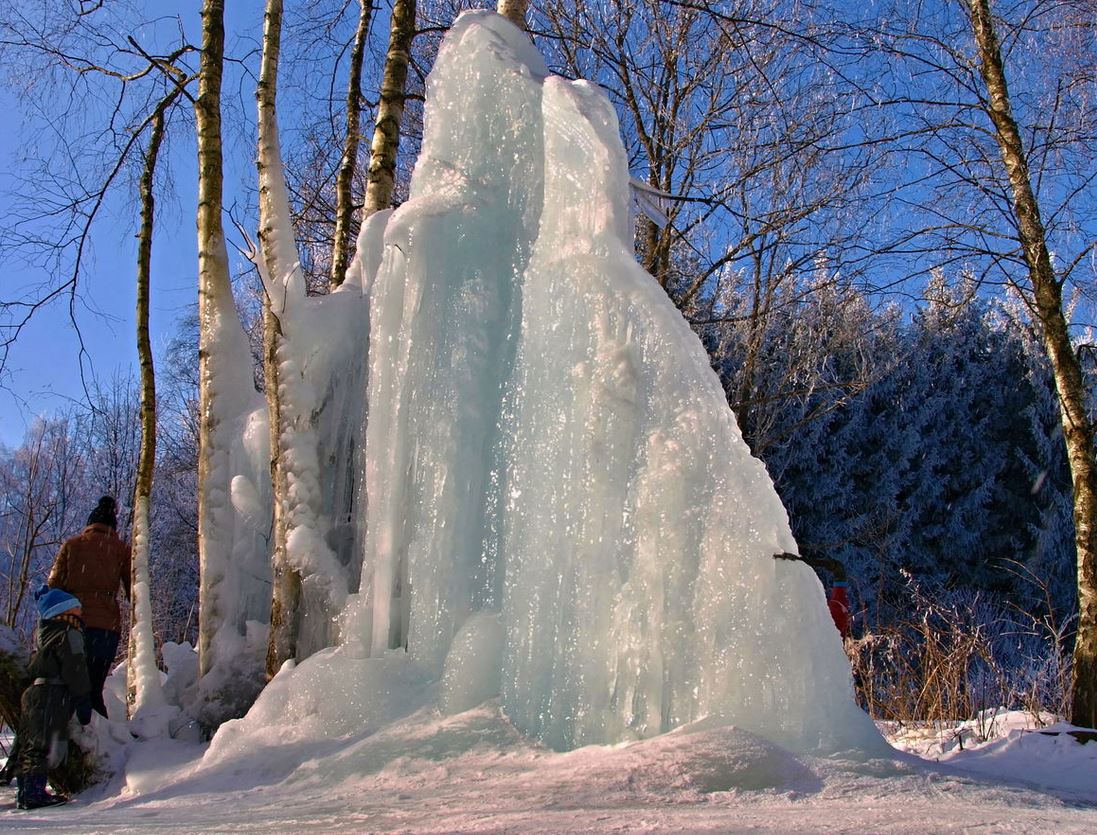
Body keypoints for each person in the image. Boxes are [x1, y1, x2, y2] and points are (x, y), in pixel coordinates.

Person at [48, 496, 131, 717]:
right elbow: (134, 588)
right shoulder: (121, 549)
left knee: (70, 685)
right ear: (112, 526)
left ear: (90, 524)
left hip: (73, 623)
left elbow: (53, 586)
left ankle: (66, 737)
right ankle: (99, 739)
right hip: (106, 627)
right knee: (94, 688)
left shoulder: (72, 545)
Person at [15, 585, 92, 810]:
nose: (81, 611)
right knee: (43, 743)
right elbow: (75, 668)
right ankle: (34, 794)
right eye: (76, 608)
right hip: (52, 693)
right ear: (63, 612)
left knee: (30, 743)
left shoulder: (45, 634)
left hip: (34, 693)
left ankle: (26, 790)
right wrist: (83, 697)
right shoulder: (69, 633)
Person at [774, 551, 851, 638]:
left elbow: (839, 570)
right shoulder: (839, 609)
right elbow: (839, 570)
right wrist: (799, 561)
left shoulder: (839, 611)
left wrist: (800, 560)